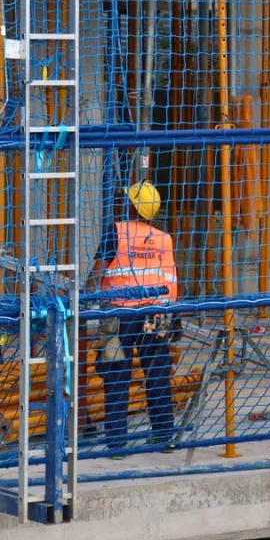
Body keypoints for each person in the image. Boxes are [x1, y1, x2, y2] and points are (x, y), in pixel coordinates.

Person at [86, 182, 179, 457]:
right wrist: (175, 317)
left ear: (131, 206)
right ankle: (164, 435)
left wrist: (84, 298)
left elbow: (97, 273)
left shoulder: (116, 232)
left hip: (120, 315)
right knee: (157, 374)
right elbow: (172, 279)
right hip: (155, 315)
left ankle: (117, 444)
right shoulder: (164, 238)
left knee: (116, 374)